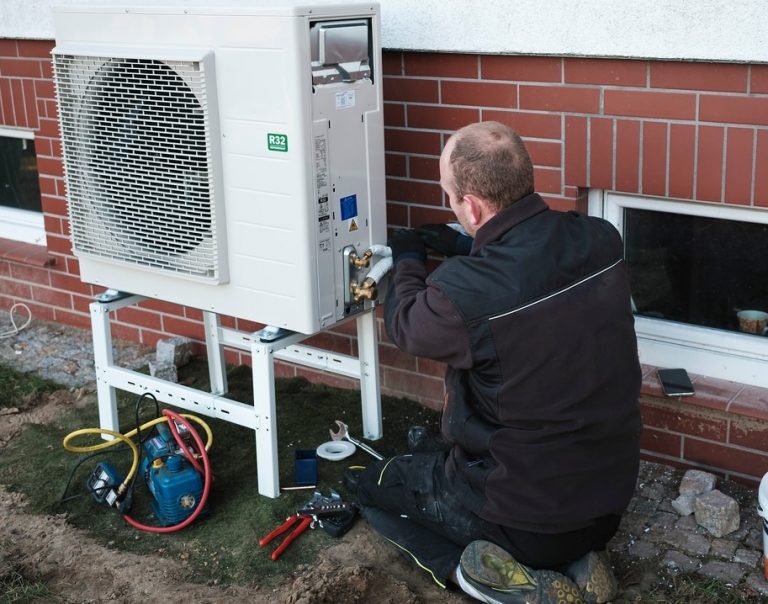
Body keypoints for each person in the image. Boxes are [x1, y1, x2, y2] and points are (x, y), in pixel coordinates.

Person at [351, 121, 642, 604]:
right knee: (440, 454)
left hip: (523, 514)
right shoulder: (601, 239)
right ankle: (578, 561)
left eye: (448, 196)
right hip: (607, 502)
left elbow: (406, 323)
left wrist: (407, 256)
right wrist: (464, 242)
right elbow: (526, 259)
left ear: (471, 206)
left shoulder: (462, 295)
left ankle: (486, 581)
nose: (450, 205)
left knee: (375, 487)